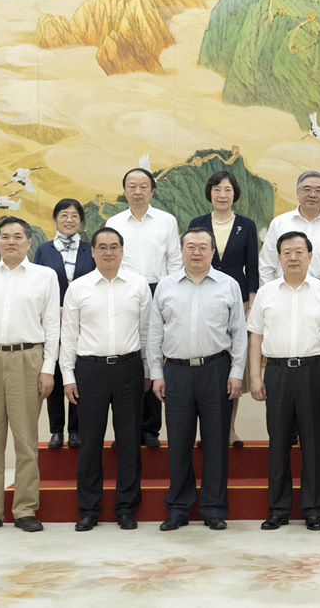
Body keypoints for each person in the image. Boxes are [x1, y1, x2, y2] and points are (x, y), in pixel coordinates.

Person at [0, 216, 60, 534]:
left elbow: (53, 327)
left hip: (28, 360)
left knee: (26, 441)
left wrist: (47, 369)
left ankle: (25, 509)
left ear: (29, 242)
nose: (11, 241)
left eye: (18, 236)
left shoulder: (45, 276)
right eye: (5, 236)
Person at [148, 228, 246, 531]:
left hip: (216, 370)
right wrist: (156, 373)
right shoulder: (165, 286)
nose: (197, 252)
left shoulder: (229, 285)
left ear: (213, 252)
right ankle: (178, 508)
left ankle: (213, 508)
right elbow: (154, 333)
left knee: (216, 443)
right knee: (178, 444)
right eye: (190, 246)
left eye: (203, 246)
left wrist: (237, 373)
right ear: (181, 251)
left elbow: (239, 334)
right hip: (176, 373)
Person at [248, 231, 320, 531]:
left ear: (310, 256)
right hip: (276, 372)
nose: (293, 257)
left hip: (312, 372)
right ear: (278, 257)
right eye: (286, 252)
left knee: (312, 443)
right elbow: (255, 336)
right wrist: (255, 376)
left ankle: (313, 510)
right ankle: (278, 509)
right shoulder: (266, 292)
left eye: (299, 252)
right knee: (278, 443)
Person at [59, 227, 151, 531]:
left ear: (122, 251)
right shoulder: (79, 288)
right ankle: (88, 509)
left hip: (129, 369)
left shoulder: (138, 285)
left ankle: (126, 507)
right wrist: (68, 376)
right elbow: (68, 336)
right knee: (90, 442)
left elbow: (147, 332)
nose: (108, 252)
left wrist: (148, 371)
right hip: (90, 371)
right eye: (102, 247)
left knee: (129, 441)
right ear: (93, 251)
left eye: (114, 246)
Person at [258, 171, 320, 447]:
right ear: (298, 192)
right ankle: (289, 429)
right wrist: (269, 299)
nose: (313, 194)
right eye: (307, 188)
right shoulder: (280, 222)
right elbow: (266, 265)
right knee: (289, 359)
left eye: (319, 189)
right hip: (284, 293)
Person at [106, 166, 181, 448]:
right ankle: (126, 431)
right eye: (132, 186)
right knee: (126, 357)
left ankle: (150, 429)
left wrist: (171, 294)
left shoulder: (167, 221)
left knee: (153, 355)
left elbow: (174, 260)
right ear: (124, 191)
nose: (137, 192)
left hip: (158, 290)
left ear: (152, 190)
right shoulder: (114, 222)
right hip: (123, 291)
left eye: (143, 186)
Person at [189, 171, 259, 449]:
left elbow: (252, 267)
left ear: (235, 194)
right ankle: (203, 432)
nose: (222, 194)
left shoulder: (246, 225)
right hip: (201, 296)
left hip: (237, 300)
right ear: (210, 192)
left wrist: (251, 304)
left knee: (232, 365)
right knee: (205, 363)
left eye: (227, 190)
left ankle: (229, 430)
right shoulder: (197, 223)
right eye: (217, 189)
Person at [33, 199, 95, 449]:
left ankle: (76, 430)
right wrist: (54, 310)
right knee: (55, 374)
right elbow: (37, 288)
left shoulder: (90, 249)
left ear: (81, 221)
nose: (69, 220)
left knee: (80, 374)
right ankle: (56, 430)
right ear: (55, 220)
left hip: (85, 324)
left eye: (74, 216)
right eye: (63, 215)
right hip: (53, 323)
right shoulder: (43, 250)